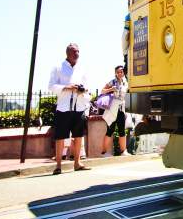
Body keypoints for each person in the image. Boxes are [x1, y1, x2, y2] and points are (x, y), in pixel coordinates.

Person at [48, 43, 92, 174]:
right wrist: (67, 87)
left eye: (78, 51)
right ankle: (58, 166)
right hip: (63, 108)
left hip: (79, 107)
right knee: (60, 137)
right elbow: (51, 86)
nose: (77, 54)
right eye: (74, 51)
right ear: (67, 53)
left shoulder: (82, 69)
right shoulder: (58, 68)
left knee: (78, 136)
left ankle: (77, 163)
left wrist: (82, 89)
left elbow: (87, 87)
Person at [97, 65, 128, 156]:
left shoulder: (126, 83)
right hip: (112, 109)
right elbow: (102, 91)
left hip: (121, 109)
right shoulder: (112, 82)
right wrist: (111, 89)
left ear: (123, 73)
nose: (120, 73)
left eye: (121, 71)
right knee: (110, 130)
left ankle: (124, 151)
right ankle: (104, 152)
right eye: (118, 72)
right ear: (115, 73)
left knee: (122, 130)